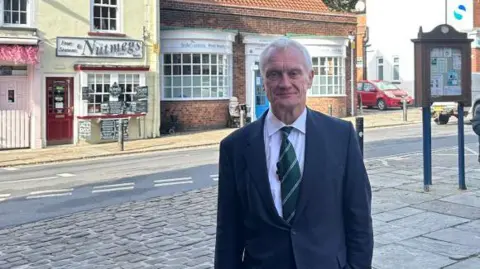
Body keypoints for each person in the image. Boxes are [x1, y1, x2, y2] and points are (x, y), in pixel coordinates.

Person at [214, 37, 373, 269]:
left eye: (294, 73)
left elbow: (358, 217)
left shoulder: (341, 137)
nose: (284, 83)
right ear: (263, 81)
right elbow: (228, 232)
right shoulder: (235, 147)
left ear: (310, 77)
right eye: (274, 74)